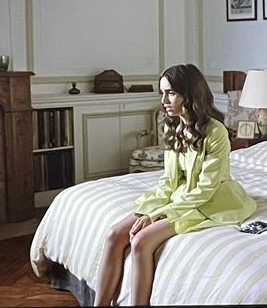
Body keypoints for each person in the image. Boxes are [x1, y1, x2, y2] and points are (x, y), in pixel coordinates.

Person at [93, 63, 257, 306]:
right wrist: (153, 208)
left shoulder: (216, 132)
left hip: (210, 201)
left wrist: (161, 214)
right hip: (181, 195)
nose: (164, 100)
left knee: (141, 242)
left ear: (189, 95)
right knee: (114, 235)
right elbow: (169, 180)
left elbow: (205, 189)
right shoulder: (173, 126)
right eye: (163, 93)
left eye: (170, 93)